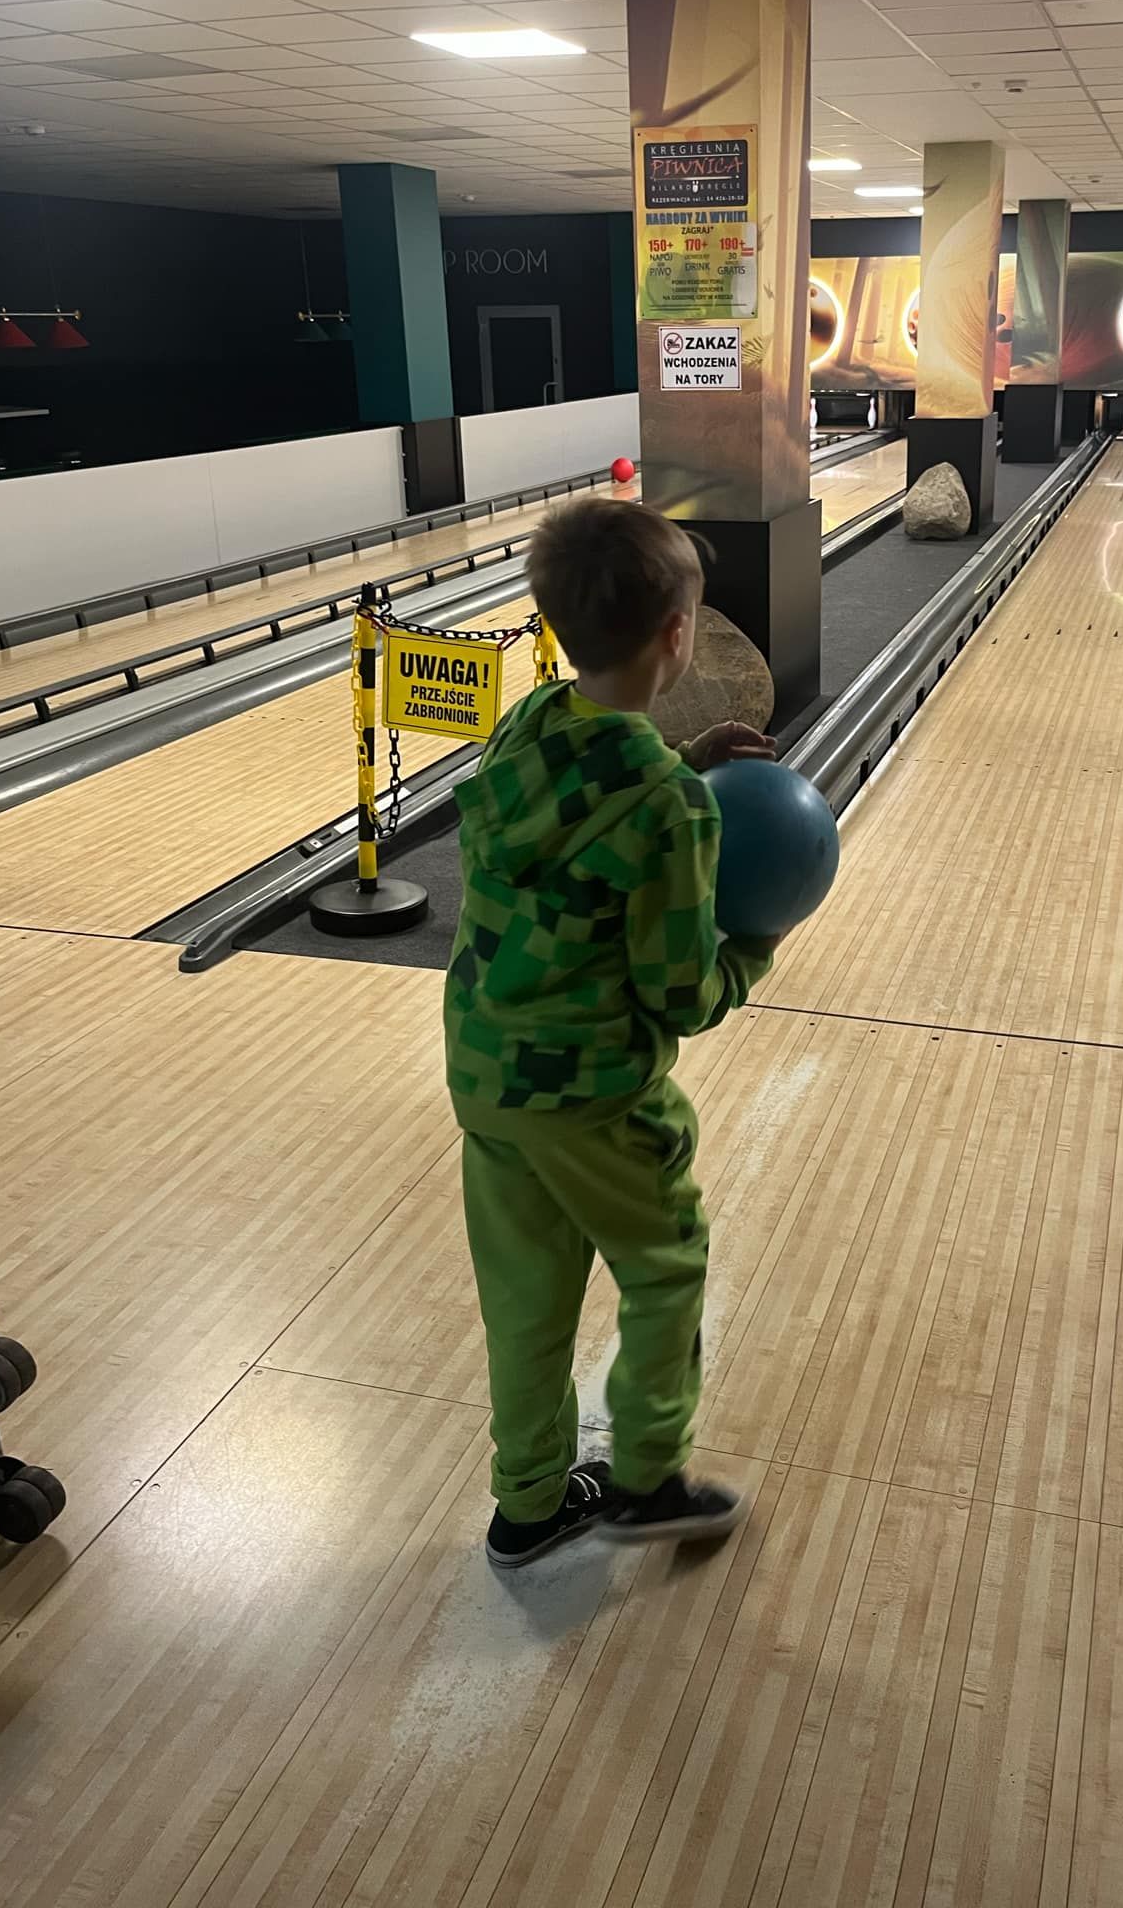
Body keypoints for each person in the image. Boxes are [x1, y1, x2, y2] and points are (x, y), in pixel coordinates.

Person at [446, 494, 777, 1569]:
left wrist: (685, 752)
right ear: (680, 635)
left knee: (526, 1299)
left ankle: (529, 1502)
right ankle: (646, 1481)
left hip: (486, 1074)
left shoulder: (528, 722)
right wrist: (757, 939)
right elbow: (682, 993)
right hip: (592, 1094)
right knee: (665, 1267)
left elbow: (596, 781)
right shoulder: (670, 808)